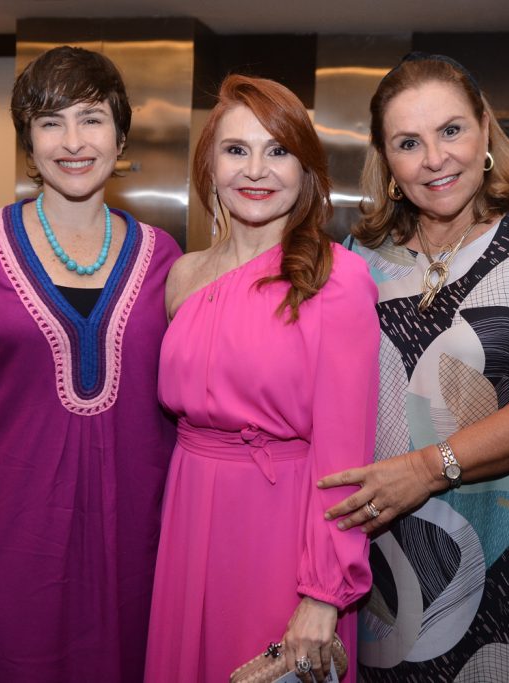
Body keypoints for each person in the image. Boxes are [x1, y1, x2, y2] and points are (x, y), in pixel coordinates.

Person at [317, 53, 509, 682]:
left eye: (451, 130)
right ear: (387, 162)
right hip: (371, 559)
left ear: (485, 131)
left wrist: (429, 467)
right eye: (409, 142)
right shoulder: (357, 259)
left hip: (498, 565)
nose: (435, 158)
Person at [0, 46, 181, 682]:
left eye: (92, 118)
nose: (73, 141)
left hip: (134, 547)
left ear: (121, 132)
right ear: (28, 142)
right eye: (50, 122)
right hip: (2, 542)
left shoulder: (166, 260)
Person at [144, 75, 380, 683]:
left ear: (306, 170)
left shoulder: (338, 279)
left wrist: (324, 593)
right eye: (236, 150)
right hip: (190, 512)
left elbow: (345, 454)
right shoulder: (182, 276)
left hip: (284, 530)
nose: (257, 170)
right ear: (210, 166)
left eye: (278, 151)